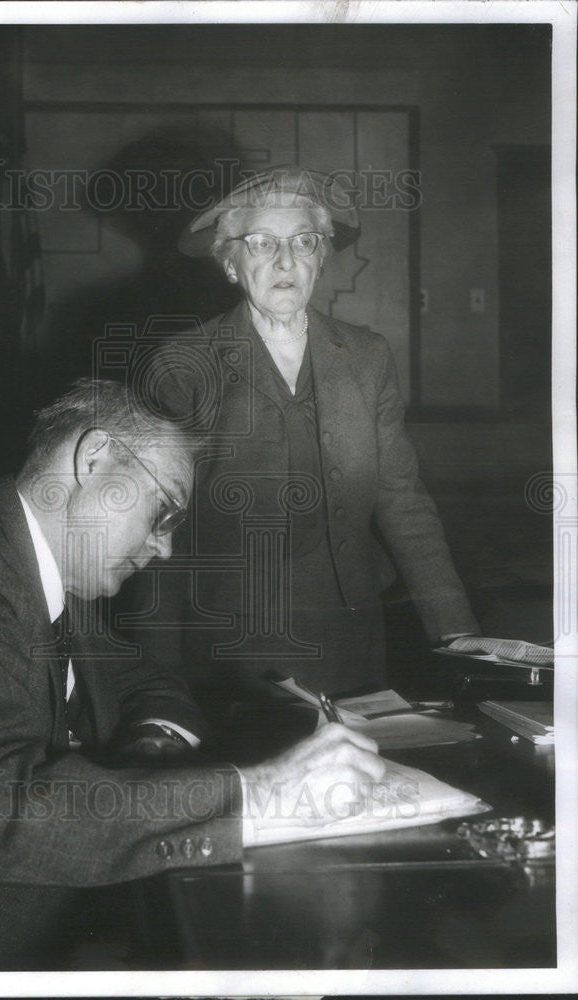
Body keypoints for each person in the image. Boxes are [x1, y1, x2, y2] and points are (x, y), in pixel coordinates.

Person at [0, 378, 385, 971]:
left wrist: (151, 744)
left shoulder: (35, 565)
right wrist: (260, 794)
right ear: (94, 457)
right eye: (165, 512)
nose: (165, 548)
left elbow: (145, 681)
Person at [130, 164, 488, 708]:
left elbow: (403, 504)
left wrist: (458, 634)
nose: (285, 260)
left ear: (322, 258)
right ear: (230, 263)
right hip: (234, 650)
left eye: (303, 241)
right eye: (262, 243)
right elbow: (160, 531)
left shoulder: (366, 357)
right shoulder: (182, 364)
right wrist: (154, 685)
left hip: (353, 639)